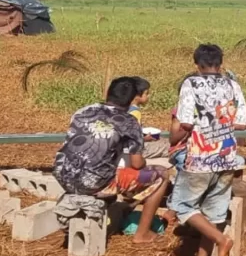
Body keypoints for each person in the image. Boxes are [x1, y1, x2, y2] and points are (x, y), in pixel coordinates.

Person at [52, 77, 170, 245]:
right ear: (132, 99)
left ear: (108, 93)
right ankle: (142, 234)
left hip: (62, 175)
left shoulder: (84, 110)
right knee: (162, 175)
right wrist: (142, 157)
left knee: (107, 163)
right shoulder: (130, 122)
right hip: (94, 183)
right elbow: (137, 164)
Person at [168, 44, 246, 256]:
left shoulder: (191, 84)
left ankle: (222, 240)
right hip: (226, 157)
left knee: (183, 206)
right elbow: (241, 123)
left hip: (200, 156)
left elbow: (184, 122)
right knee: (213, 215)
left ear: (197, 65)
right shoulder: (233, 85)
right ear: (220, 64)